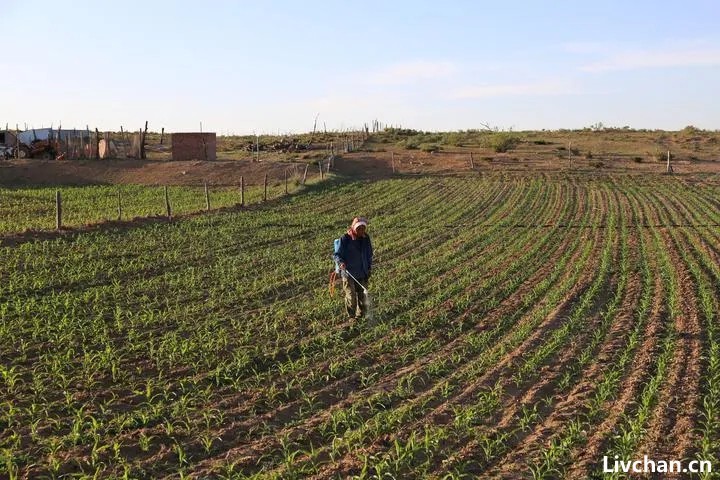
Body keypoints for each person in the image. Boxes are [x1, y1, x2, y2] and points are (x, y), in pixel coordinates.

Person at [334, 216, 373, 319]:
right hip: (348, 273)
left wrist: (368, 268)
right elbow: (337, 255)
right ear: (354, 228)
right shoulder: (345, 239)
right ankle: (351, 317)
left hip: (362, 271)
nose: (361, 231)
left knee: (362, 296)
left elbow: (369, 254)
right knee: (351, 297)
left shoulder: (365, 238)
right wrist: (341, 262)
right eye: (359, 228)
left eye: (363, 228)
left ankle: (361, 315)